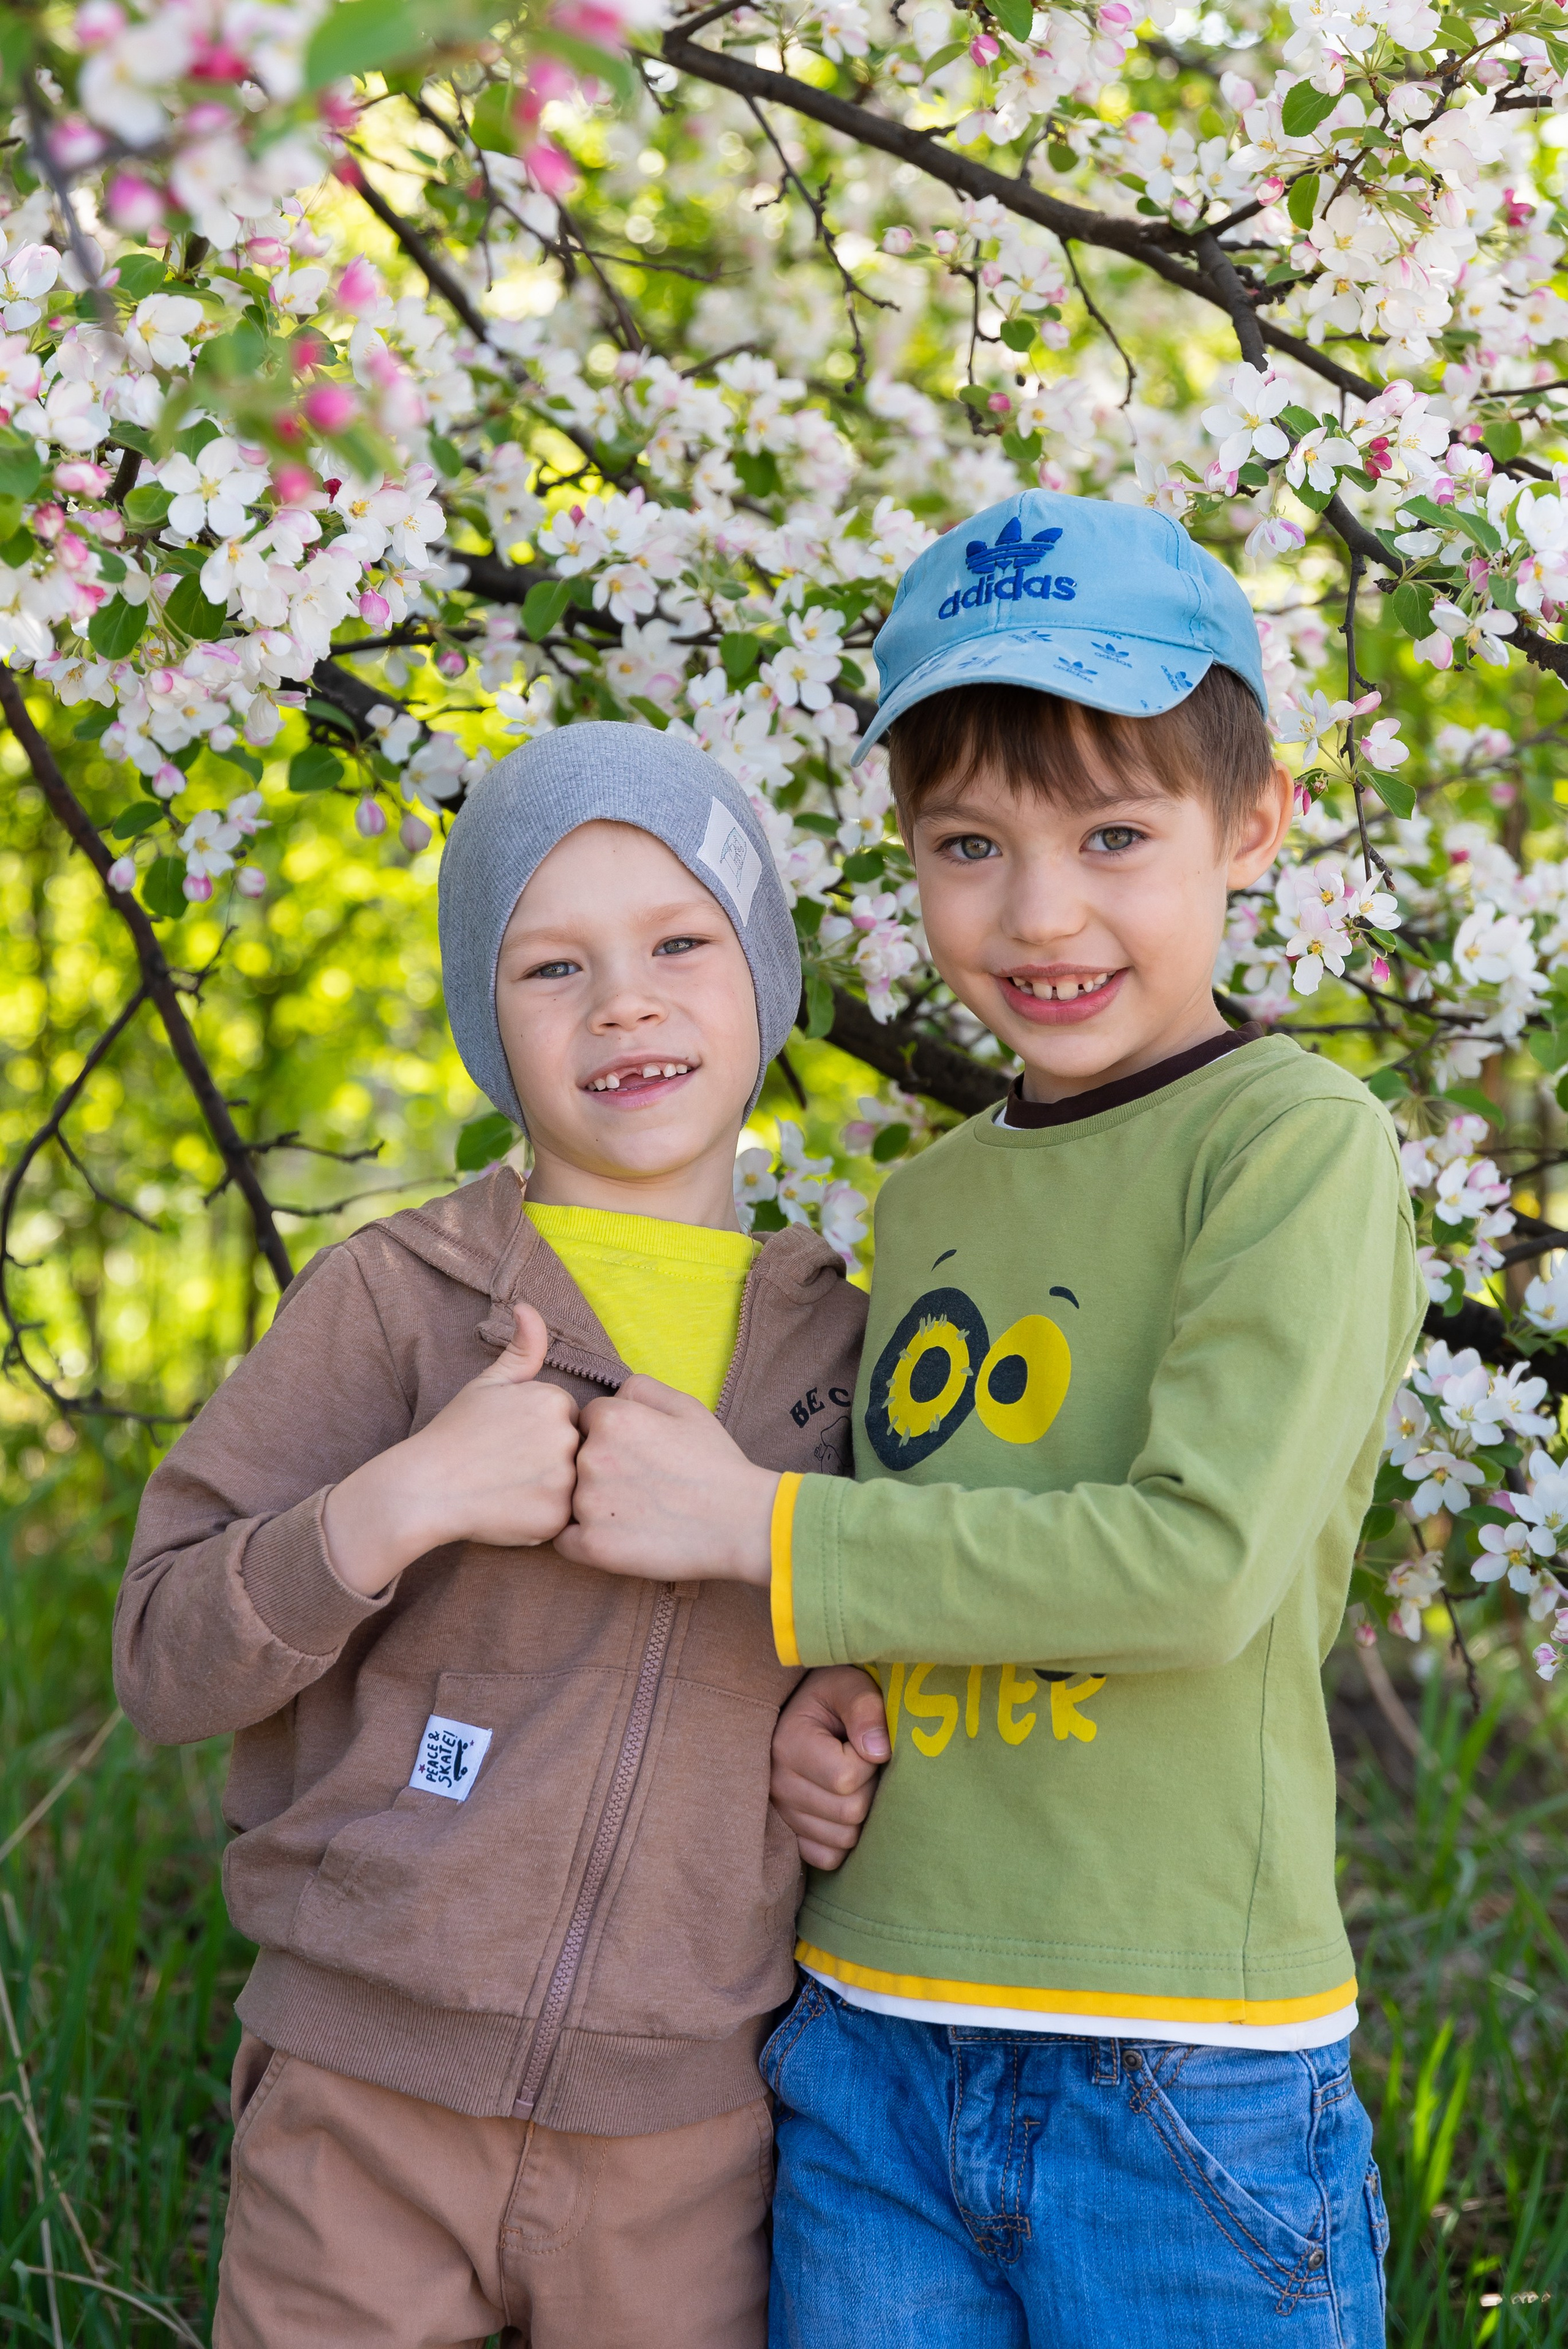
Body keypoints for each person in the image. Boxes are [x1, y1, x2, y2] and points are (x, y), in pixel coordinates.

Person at [557, 491, 1425, 2349]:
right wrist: (826, 1708)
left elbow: (1195, 1569)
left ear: (1257, 823)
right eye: (970, 844)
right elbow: (922, 1560)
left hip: (1178, 2062)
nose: (1041, 913)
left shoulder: (1294, 1149)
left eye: (1116, 834)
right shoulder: (933, 1200)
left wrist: (762, 1534)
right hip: (871, 2029)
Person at [113, 723, 867, 2349]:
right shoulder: (396, 1302)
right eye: (551, 966)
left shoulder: (851, 1351)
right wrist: (399, 1502)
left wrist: (849, 1711)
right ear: (485, 1020)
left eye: (680, 941)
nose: (626, 1003)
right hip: (364, 2097)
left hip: (685, 2133)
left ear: (764, 974)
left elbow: (888, 1637)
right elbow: (160, 1657)